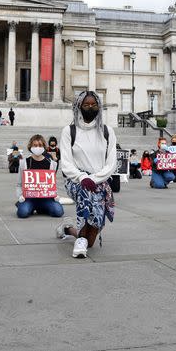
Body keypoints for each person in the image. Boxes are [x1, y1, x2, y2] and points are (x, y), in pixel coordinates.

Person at [56, 91, 117, 258]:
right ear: (78, 107)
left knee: (91, 241)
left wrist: (94, 179)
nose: (90, 107)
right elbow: (66, 163)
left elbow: (111, 164)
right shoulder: (69, 131)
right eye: (86, 105)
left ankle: (69, 229)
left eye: (94, 104)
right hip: (76, 180)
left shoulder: (107, 131)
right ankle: (80, 240)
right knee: (86, 193)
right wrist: (83, 177)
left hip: (100, 180)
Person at [16, 134, 64, 218]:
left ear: (44, 146)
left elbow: (51, 184)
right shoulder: (24, 163)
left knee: (58, 211)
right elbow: (19, 184)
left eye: (40, 145)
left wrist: (55, 194)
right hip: (29, 198)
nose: (37, 147)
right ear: (30, 146)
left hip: (46, 198)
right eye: (35, 145)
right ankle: (26, 205)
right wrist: (20, 196)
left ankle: (41, 208)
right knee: (22, 213)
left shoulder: (51, 164)